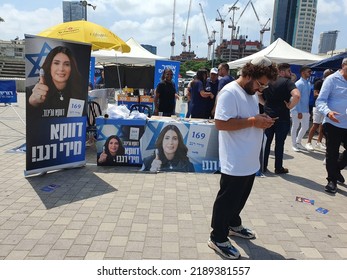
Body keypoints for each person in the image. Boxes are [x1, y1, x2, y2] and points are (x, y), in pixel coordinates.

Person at [208, 56, 278, 260]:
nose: (261, 89)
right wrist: (253, 121)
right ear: (248, 75)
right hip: (235, 159)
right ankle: (217, 237)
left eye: (264, 86)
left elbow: (250, 120)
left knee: (240, 198)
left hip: (249, 158)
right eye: (260, 84)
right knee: (227, 200)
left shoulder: (251, 92)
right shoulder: (230, 92)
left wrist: (262, 120)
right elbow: (221, 123)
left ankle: (233, 224)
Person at [262, 63, 301, 174]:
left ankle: (263, 166)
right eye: (289, 71)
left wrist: (265, 104)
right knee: (280, 144)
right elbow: (297, 95)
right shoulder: (287, 82)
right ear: (282, 72)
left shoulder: (268, 81)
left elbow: (258, 94)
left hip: (268, 115)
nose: (290, 73)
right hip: (282, 117)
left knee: (266, 142)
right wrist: (290, 105)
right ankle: (278, 167)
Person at [316, 57, 347, 193]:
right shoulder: (332, 80)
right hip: (332, 123)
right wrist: (328, 113)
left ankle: (336, 169)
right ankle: (331, 180)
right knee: (332, 153)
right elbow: (320, 101)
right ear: (343, 65)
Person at [26, 46, 84, 118]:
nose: (61, 69)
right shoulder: (30, 92)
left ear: (72, 68)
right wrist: (32, 103)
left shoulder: (80, 93)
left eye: (66, 64)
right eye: (56, 63)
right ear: (49, 66)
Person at [305, 69, 334, 151]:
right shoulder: (319, 82)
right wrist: (325, 96)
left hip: (326, 107)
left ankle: (319, 142)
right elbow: (315, 94)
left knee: (322, 125)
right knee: (315, 124)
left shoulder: (330, 83)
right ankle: (308, 142)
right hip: (317, 106)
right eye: (331, 74)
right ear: (326, 75)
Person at [291, 65, 312, 151]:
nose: (310, 73)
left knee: (305, 127)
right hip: (297, 109)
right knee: (295, 126)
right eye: (309, 72)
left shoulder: (308, 83)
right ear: (303, 73)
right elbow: (296, 98)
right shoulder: (298, 83)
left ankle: (298, 142)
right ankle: (294, 144)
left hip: (306, 109)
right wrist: (299, 111)